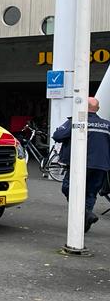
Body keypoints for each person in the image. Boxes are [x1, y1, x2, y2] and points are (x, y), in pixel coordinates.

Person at [52, 97, 110, 232]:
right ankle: (85, 221)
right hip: (101, 166)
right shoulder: (107, 125)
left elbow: (58, 135)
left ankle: (85, 214)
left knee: (68, 188)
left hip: (80, 164)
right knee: (90, 192)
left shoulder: (77, 121)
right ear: (98, 109)